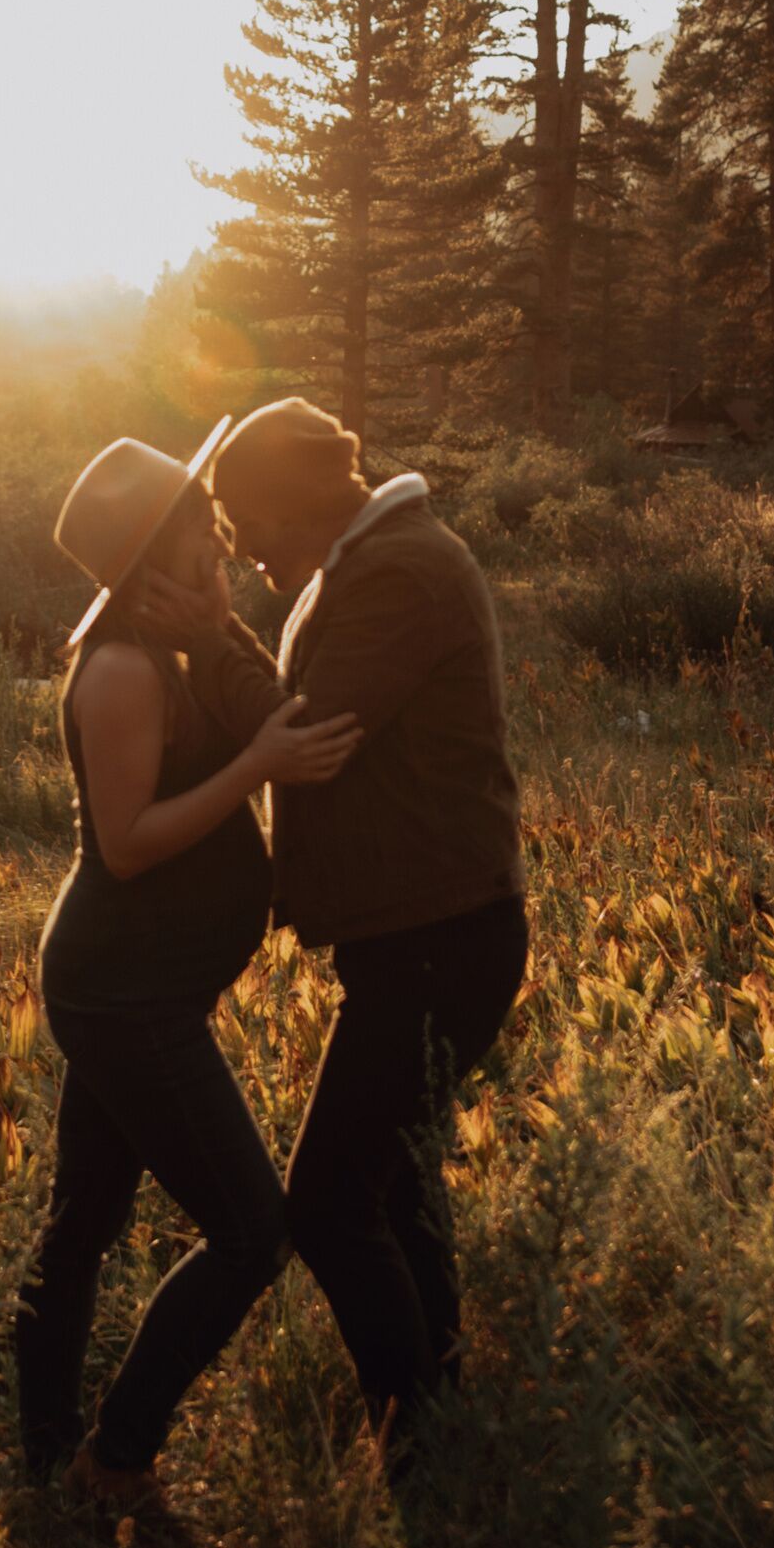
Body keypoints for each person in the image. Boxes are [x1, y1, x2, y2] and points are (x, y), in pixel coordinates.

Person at [11, 421, 362, 1527]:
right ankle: (113, 1453)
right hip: (120, 992)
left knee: (84, 1217)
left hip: (145, 988)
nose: (220, 543)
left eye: (217, 530)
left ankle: (41, 1452)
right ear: (151, 562)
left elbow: (269, 708)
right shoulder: (119, 671)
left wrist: (221, 638)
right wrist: (256, 771)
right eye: (199, 537)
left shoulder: (183, 647)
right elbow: (127, 843)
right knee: (254, 1231)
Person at [179, 396, 524, 1479]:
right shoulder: (373, 562)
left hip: (440, 942)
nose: (241, 548)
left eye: (246, 523)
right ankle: (442, 1420)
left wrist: (205, 630)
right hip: (424, 936)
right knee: (394, 1187)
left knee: (328, 1207)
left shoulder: (398, 573)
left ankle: (415, 1450)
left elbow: (305, 738)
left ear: (303, 501)